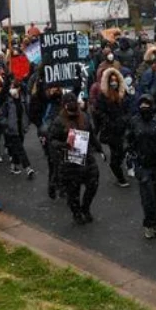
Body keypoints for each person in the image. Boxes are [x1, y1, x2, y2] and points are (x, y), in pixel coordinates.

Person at [126, 94, 156, 239]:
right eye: (142, 105)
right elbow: (128, 139)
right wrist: (132, 154)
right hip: (142, 165)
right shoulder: (134, 121)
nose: (144, 108)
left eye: (147, 105)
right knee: (148, 198)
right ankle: (148, 224)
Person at [50, 95, 102, 224]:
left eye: (73, 101)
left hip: (87, 157)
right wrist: (64, 145)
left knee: (93, 184)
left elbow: (91, 134)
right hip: (70, 161)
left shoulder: (84, 117)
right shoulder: (59, 121)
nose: (72, 104)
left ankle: (85, 208)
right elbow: (52, 140)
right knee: (73, 192)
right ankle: (76, 212)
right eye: (68, 102)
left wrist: (99, 149)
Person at [93, 67, 132, 188]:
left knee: (123, 151)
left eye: (116, 79)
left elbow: (128, 108)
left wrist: (125, 119)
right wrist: (108, 121)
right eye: (112, 80)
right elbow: (98, 111)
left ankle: (118, 167)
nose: (114, 82)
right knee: (117, 153)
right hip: (111, 130)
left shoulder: (122, 94)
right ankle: (120, 177)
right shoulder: (103, 96)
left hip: (123, 128)